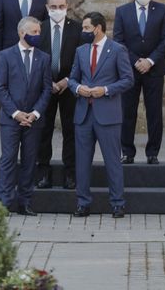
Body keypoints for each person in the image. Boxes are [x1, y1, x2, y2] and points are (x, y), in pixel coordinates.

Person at [68, 12, 134, 218]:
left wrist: (104, 90)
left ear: (98, 28)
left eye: (86, 28)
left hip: (108, 115)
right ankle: (83, 203)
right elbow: (72, 79)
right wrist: (79, 88)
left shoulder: (117, 49)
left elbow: (127, 79)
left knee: (112, 161)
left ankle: (117, 204)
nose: (83, 32)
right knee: (82, 161)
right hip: (84, 115)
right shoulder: (80, 51)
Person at [0, 17, 52, 216]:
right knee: (8, 159)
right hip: (11, 119)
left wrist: (35, 113)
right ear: (22, 32)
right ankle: (4, 202)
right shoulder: (5, 55)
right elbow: (1, 88)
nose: (38, 35)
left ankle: (25, 202)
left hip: (33, 120)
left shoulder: (44, 58)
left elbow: (46, 89)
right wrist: (17, 113)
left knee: (29, 161)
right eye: (34, 32)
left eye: (38, 32)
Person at [114, 0, 165, 165]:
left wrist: (150, 61)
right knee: (127, 111)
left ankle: (152, 152)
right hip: (130, 70)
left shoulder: (162, 10)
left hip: (154, 70)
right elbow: (118, 40)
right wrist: (137, 61)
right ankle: (127, 152)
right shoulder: (122, 11)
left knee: (154, 112)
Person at [35, 0, 81, 189]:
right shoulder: (40, 29)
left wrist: (66, 81)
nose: (57, 10)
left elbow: (81, 60)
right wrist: (48, 82)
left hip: (69, 87)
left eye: (61, 6)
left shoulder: (77, 29)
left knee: (70, 130)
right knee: (44, 130)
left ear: (67, 6)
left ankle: (70, 173)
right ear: (47, 8)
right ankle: (43, 172)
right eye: (53, 7)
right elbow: (35, 58)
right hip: (45, 87)